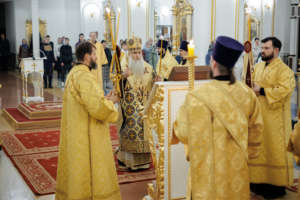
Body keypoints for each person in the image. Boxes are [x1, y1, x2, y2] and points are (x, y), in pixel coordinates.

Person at [172, 36, 264, 200]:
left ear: (213, 62)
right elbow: (257, 134)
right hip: (236, 170)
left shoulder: (196, 97)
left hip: (206, 172)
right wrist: (243, 156)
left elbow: (183, 132)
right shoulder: (248, 95)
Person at [56, 42, 121, 200]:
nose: (96, 58)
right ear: (86, 56)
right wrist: (111, 102)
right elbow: (97, 108)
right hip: (86, 135)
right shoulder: (84, 76)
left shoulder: (74, 73)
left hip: (76, 130)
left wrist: (104, 98)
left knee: (77, 171)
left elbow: (87, 101)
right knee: (88, 170)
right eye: (94, 54)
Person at [249, 37, 295, 199]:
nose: (262, 51)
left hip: (275, 120)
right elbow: (251, 83)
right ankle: (256, 184)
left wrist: (261, 90)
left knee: (273, 150)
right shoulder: (259, 66)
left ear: (276, 50)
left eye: (267, 48)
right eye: (262, 48)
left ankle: (274, 188)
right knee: (259, 148)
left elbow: (285, 89)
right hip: (258, 116)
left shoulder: (285, 70)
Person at [117, 36, 154, 171]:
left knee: (144, 133)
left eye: (139, 52)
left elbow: (154, 86)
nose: (137, 55)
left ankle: (144, 162)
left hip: (144, 107)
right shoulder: (124, 67)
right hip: (129, 111)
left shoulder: (149, 68)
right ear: (129, 53)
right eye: (134, 53)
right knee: (130, 133)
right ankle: (129, 162)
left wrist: (159, 81)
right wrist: (123, 77)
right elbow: (116, 85)